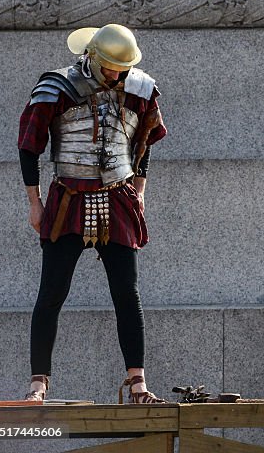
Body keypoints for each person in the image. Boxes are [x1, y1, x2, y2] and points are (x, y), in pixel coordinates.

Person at [18, 24, 167, 404]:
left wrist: (141, 192)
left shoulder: (140, 88)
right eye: (112, 68)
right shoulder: (56, 87)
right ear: (94, 58)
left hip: (118, 196)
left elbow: (145, 139)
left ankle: (138, 383)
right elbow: (29, 146)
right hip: (68, 196)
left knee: (126, 294)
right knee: (51, 293)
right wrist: (34, 202)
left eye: (123, 68)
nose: (118, 75)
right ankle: (39, 384)